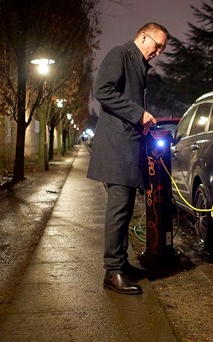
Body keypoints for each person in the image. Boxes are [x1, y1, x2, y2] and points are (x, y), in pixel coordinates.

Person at [87, 22, 169, 295]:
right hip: (116, 149)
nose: (158, 52)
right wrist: (139, 114)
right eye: (157, 45)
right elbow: (102, 91)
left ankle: (120, 264)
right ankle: (112, 272)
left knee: (123, 210)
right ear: (143, 37)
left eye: (162, 49)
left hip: (125, 148)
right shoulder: (119, 54)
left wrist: (140, 121)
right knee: (119, 210)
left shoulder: (137, 63)